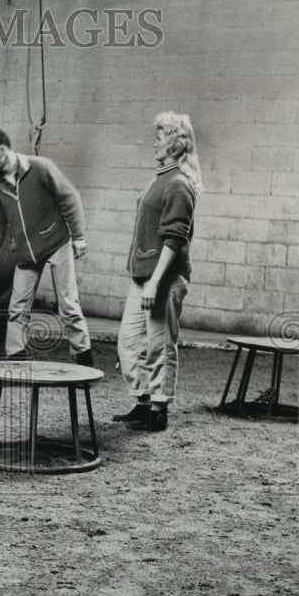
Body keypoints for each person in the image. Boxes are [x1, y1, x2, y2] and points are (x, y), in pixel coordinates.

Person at [0, 128, 94, 367]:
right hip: (26, 253)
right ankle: (17, 359)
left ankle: (84, 357)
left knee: (68, 305)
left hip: (56, 243)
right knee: (17, 307)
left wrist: (78, 236)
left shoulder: (40, 168)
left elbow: (70, 198)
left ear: (2, 151)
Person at [114, 111, 202, 433]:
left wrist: (154, 282)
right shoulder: (159, 179)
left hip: (162, 279)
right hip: (145, 277)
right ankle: (142, 401)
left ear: (176, 145)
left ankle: (159, 408)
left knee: (159, 343)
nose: (154, 143)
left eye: (159, 138)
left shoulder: (179, 184)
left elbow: (175, 237)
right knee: (127, 342)